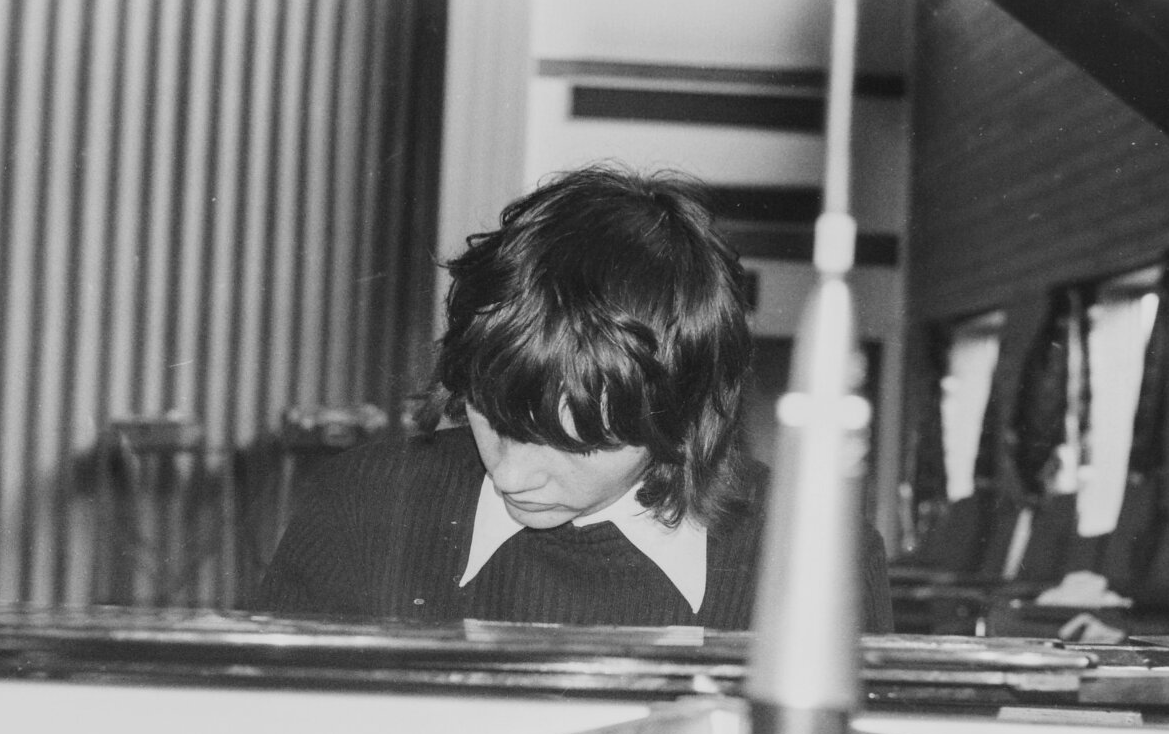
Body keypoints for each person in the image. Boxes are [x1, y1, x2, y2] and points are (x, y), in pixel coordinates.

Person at [255, 163, 892, 632]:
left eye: (575, 442)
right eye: (493, 415)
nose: (512, 472)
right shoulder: (365, 506)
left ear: (682, 414)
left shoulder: (818, 558)